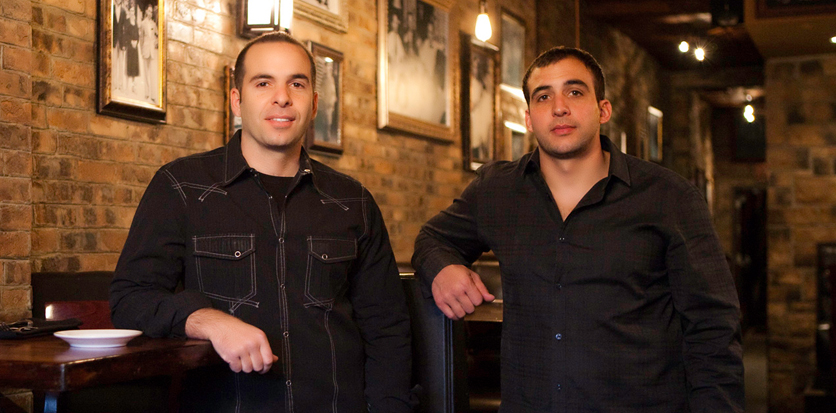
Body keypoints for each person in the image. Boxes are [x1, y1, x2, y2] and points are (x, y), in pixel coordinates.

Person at [412, 46, 744, 412]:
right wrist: (441, 267)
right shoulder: (497, 191)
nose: (559, 107)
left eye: (574, 91)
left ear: (603, 110)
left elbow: (713, 328)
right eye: (543, 96)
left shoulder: (669, 197)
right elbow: (432, 238)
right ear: (529, 119)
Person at [111, 31, 416, 412]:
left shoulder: (353, 202)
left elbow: (387, 330)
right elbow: (130, 298)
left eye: (297, 84)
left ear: (314, 103)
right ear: (236, 100)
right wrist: (207, 320)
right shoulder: (181, 187)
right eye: (263, 83)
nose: (282, 97)